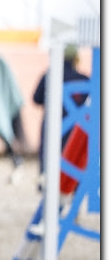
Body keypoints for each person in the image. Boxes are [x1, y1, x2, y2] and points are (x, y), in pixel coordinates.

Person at [32, 43, 90, 176]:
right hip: (75, 130)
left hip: (51, 126)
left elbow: (36, 99)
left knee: (48, 160)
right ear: (76, 58)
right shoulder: (84, 79)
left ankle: (45, 181)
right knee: (73, 162)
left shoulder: (49, 76)